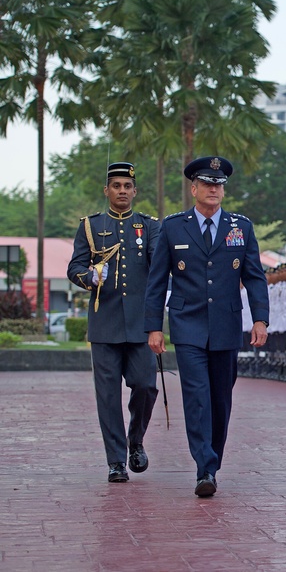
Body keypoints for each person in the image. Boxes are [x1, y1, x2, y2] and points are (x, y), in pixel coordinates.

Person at [144, 156, 269, 497]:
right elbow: (157, 282)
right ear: (194, 188)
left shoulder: (240, 227)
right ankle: (205, 467)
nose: (214, 189)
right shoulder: (172, 227)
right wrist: (154, 327)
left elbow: (255, 278)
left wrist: (260, 319)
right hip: (187, 325)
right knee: (197, 396)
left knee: (220, 399)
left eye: (219, 185)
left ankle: (212, 462)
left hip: (226, 326)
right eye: (208, 184)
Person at [68, 162, 161, 483]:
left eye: (127, 186)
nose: (122, 191)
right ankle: (116, 461)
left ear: (135, 191)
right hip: (104, 323)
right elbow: (75, 267)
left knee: (146, 386)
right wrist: (88, 277)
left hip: (141, 325)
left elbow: (159, 268)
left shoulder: (149, 227)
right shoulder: (91, 226)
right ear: (106, 190)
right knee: (107, 396)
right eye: (116, 186)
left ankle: (136, 441)